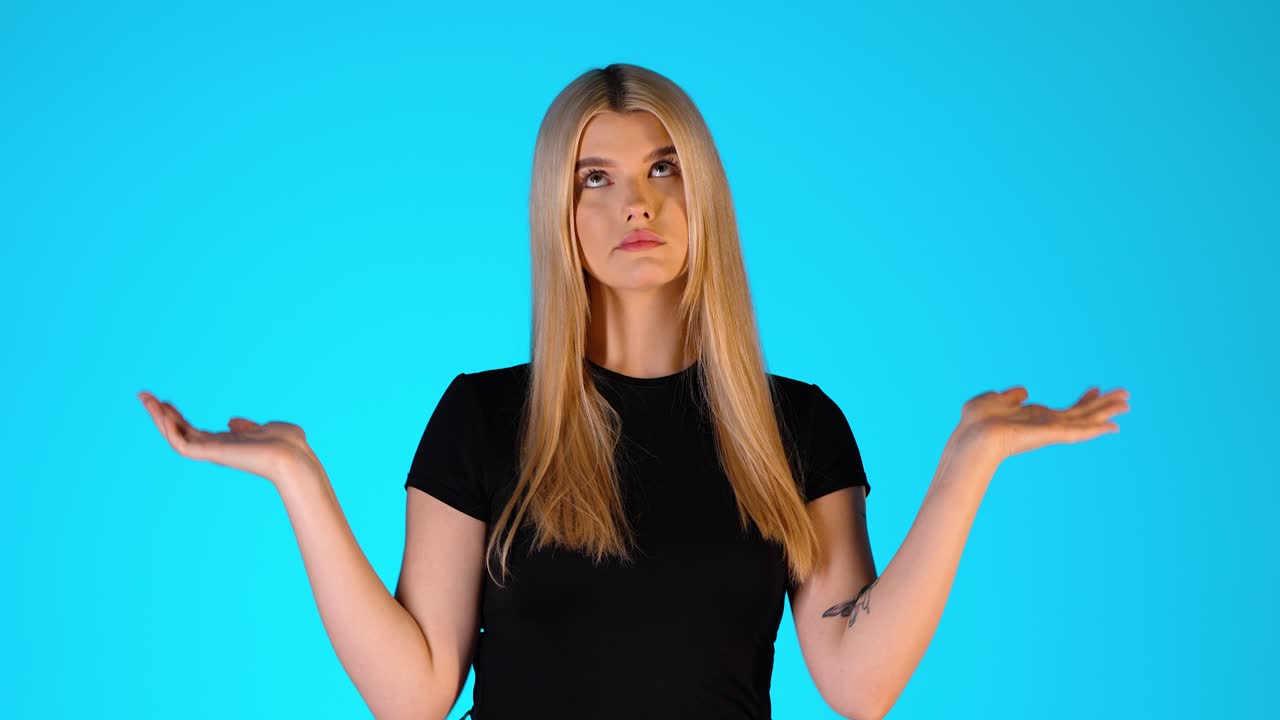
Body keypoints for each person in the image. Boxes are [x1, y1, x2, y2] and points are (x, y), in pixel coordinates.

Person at [137, 63, 1129, 720]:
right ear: (558, 210)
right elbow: (415, 691)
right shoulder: (482, 418)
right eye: (595, 177)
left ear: (702, 192)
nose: (637, 202)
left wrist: (967, 464)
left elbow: (856, 681)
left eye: (661, 167)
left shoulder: (797, 426)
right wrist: (300, 480)